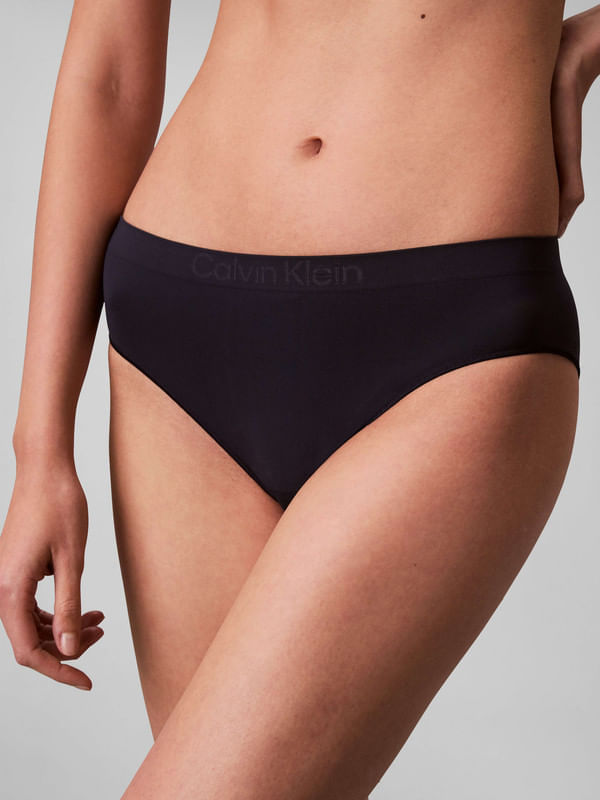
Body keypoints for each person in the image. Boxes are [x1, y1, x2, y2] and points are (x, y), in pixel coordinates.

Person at [0, 2, 597, 797]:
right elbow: (106, 68)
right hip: (177, 345)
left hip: (454, 333)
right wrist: (40, 447)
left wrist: (587, 44)